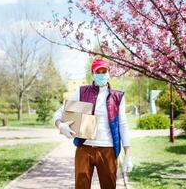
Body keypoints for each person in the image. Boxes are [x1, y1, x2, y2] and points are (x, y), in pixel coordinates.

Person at [53, 57, 133, 189]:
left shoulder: (118, 97)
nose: (101, 74)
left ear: (109, 73)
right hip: (85, 148)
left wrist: (127, 154)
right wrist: (60, 125)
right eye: (98, 72)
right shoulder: (82, 92)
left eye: (104, 71)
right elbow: (59, 113)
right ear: (93, 74)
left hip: (108, 149)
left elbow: (123, 125)